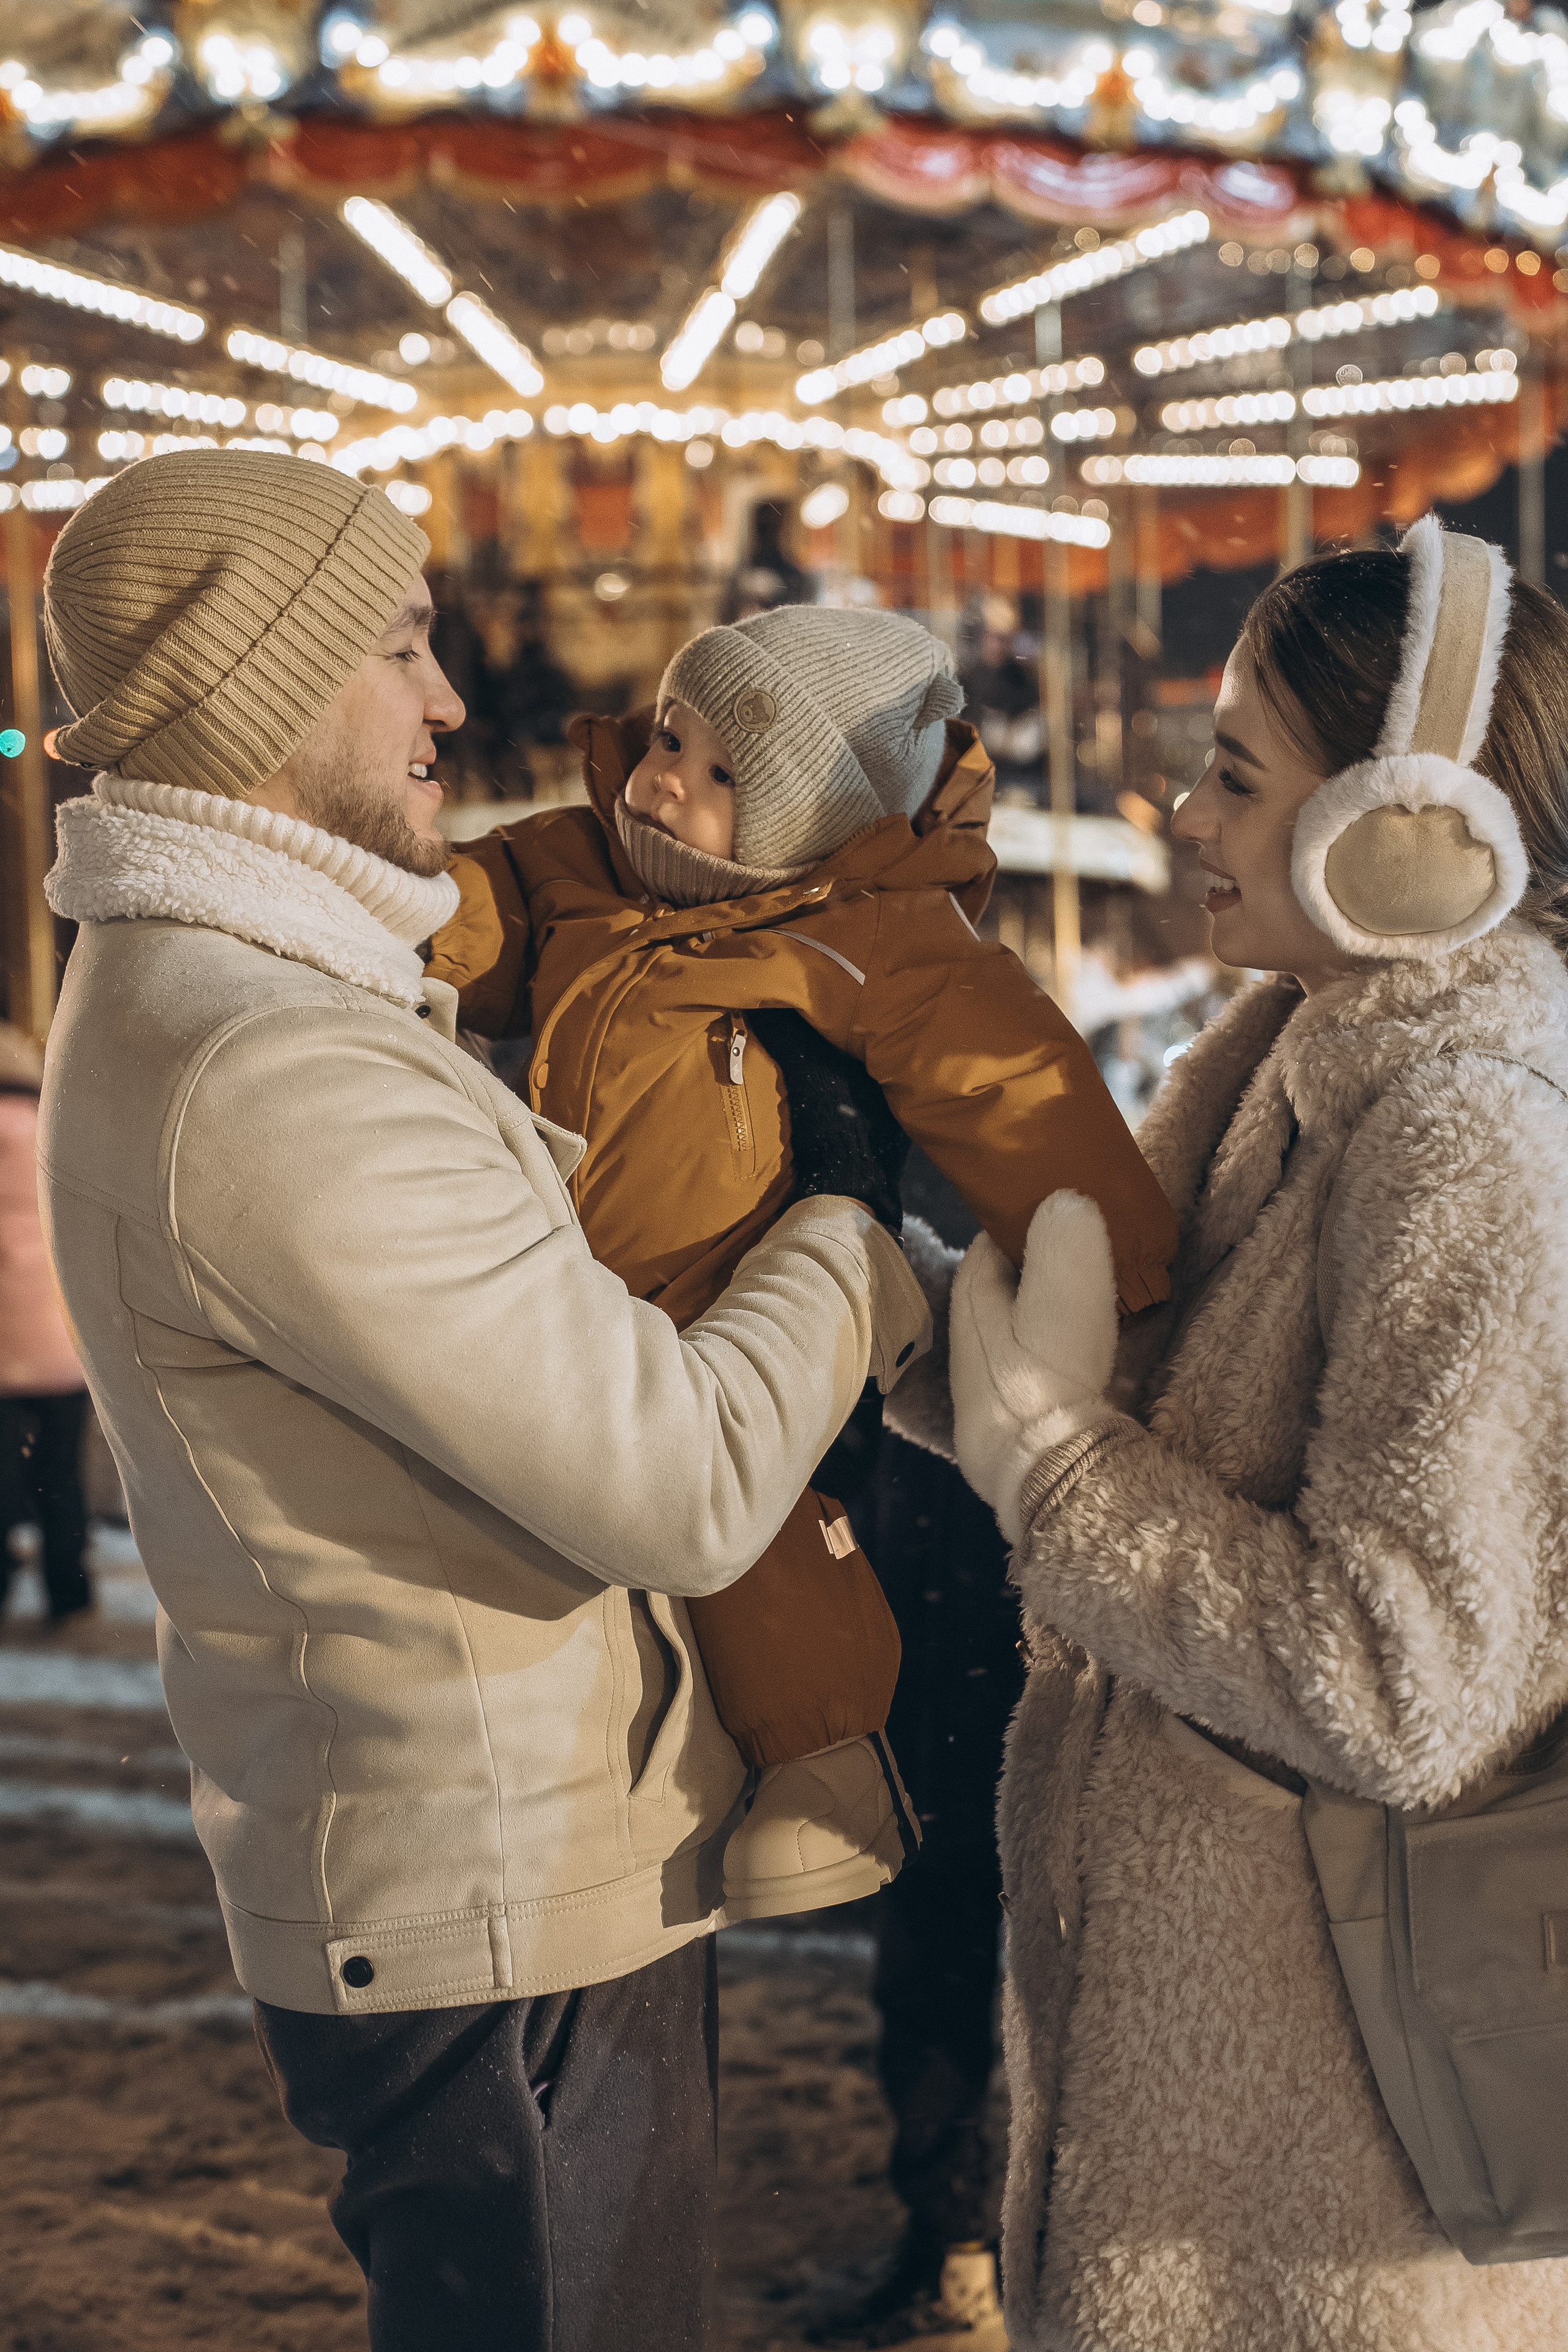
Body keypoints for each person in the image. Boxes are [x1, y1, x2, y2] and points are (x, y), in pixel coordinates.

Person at [36, 447, 931, 2352]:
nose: (452, 699)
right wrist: (852, 1232)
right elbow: (679, 1477)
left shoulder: (242, 996)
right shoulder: (270, 1069)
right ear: (260, 696)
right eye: (398, 647)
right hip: (497, 1881)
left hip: (485, 1843)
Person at [933, 517, 1568, 2350]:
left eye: (1230, 774)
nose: (1182, 820)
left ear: (1408, 832)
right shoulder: (1287, 1060)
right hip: (1228, 2125)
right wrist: (900, 1318)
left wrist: (1050, 1469)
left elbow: (1403, 1678)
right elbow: (1136, 1392)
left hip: (1336, 2181)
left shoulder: (1468, 1137)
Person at [429, 603, 1177, 1926]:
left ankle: (823, 1767)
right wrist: (394, 923)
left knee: (763, 1534)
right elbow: (468, 907)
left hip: (735, 1290)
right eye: (671, 739)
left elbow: (1010, 1081)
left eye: (726, 776)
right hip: (562, 1277)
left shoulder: (866, 928)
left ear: (812, 816)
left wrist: (1123, 1270)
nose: (666, 782)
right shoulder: (581, 867)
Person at [0, 1020, 91, 1625]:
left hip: (4, 1339)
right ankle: (69, 1589)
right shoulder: (58, 1128)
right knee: (62, 1473)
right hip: (60, 1333)